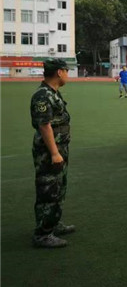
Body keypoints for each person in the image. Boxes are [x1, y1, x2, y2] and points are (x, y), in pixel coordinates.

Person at [30, 58, 74, 248]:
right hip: (49, 151)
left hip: (59, 148)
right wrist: (55, 153)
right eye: (66, 71)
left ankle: (53, 223)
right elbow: (44, 125)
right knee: (48, 189)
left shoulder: (52, 93)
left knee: (58, 187)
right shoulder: (43, 95)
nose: (67, 75)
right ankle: (43, 234)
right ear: (59, 72)